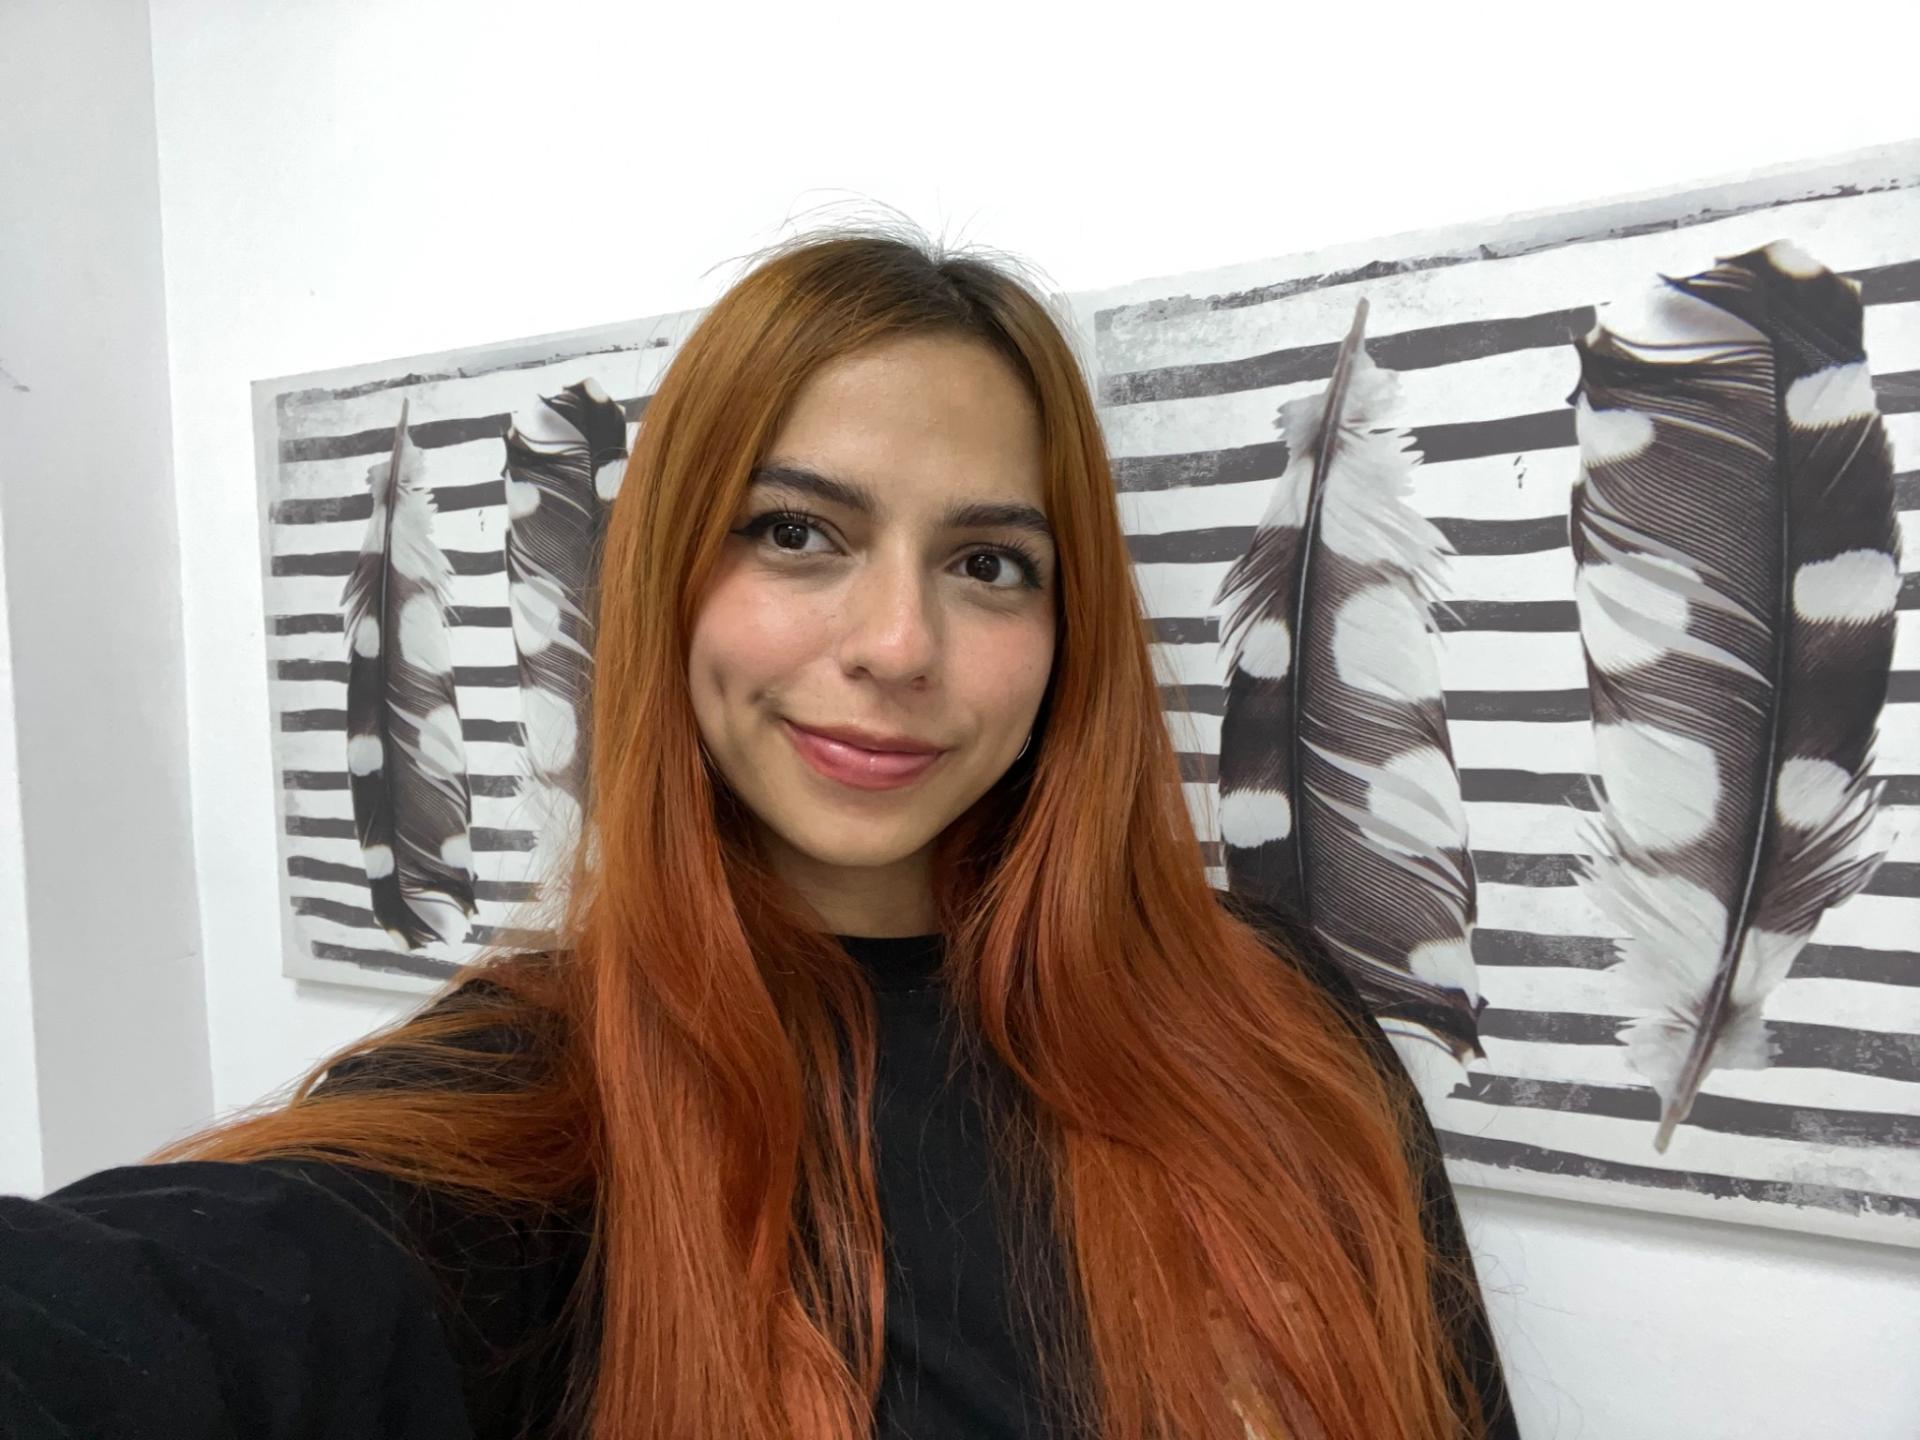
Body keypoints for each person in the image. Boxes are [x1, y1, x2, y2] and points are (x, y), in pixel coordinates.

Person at [0, 220, 1520, 1440]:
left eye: (989, 562)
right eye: (797, 533)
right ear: (671, 575)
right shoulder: (531, 1095)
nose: (898, 645)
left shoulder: (1273, 1019)